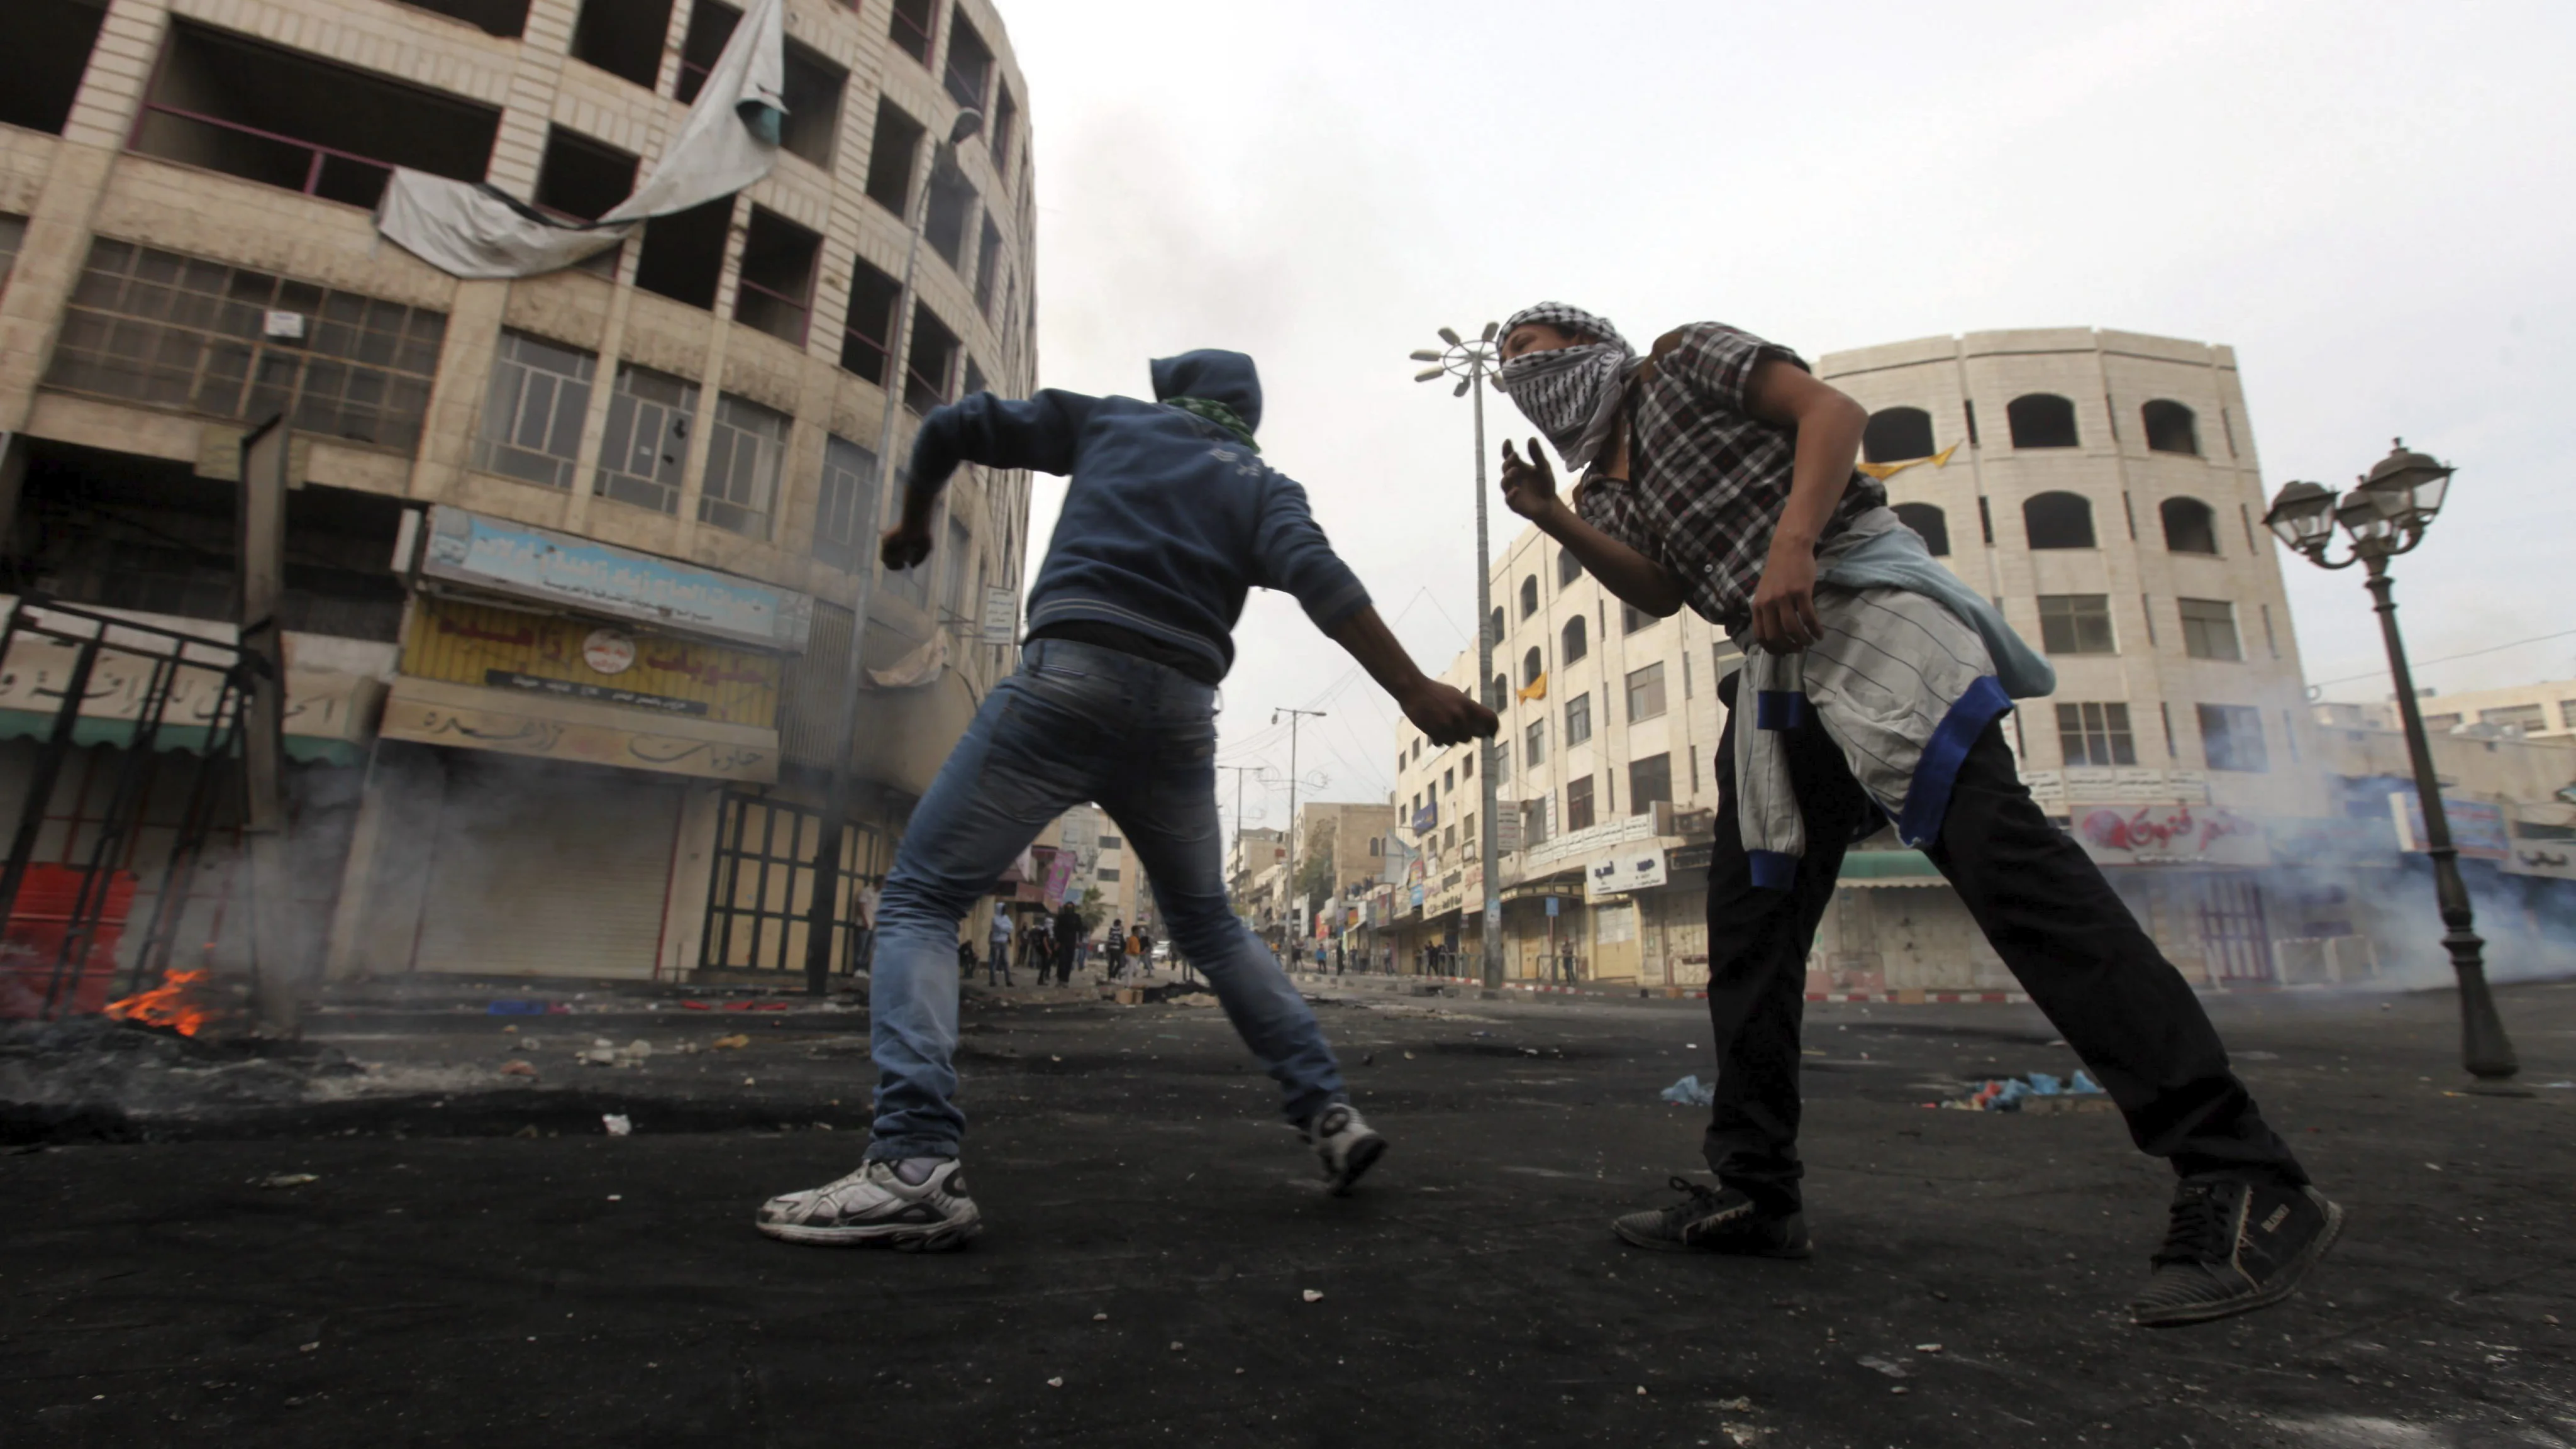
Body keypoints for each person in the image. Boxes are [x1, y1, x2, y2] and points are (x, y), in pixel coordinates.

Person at [1491, 301, 2336, 1326]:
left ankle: (2243, 1171)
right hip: (1773, 672)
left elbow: (1830, 411)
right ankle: (1756, 1190)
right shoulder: (1602, 484)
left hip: (1864, 603)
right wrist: (1552, 516)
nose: (1527, 372)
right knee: (1749, 932)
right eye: (1510, 368)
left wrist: (1791, 544)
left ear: (1597, 343)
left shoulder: (1682, 359)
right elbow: (1663, 591)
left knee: (2008, 867)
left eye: (1542, 351)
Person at [757, 349, 1496, 1251]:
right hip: (1179, 717)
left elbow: (954, 425)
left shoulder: (1114, 421)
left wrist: (913, 522)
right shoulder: (1265, 486)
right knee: (1214, 927)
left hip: (1067, 684)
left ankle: (913, 1164)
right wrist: (1414, 688)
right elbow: (1321, 580)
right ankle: (1327, 1114)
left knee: (919, 898)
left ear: (1176, 395)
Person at [1053, 901, 1084, 985]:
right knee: (1062, 960)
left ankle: (1066, 980)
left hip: (1072, 942)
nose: (1069, 909)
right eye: (1068, 908)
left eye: (1071, 908)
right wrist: (1057, 941)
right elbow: (1057, 929)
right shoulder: (1061, 917)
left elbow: (1080, 929)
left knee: (1069, 961)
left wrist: (1080, 940)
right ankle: (1060, 979)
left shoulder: (1077, 917)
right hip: (1062, 941)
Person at [985, 908, 1014, 987]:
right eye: (1003, 910)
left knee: (1006, 962)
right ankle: (993, 981)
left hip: (1004, 942)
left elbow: (1010, 928)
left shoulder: (1006, 918)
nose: (1004, 911)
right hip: (996, 942)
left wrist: (1008, 937)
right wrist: (1006, 928)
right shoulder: (995, 919)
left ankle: (1009, 981)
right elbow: (1001, 927)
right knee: (994, 962)